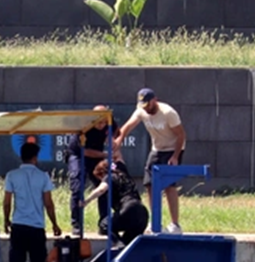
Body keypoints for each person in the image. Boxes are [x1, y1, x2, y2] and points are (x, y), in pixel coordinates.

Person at [114, 87, 186, 234]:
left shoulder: (168, 113)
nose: (146, 109)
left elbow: (181, 135)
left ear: (155, 100)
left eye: (148, 105)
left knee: (169, 186)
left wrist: (175, 157)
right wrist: (119, 141)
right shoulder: (141, 110)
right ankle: (155, 222)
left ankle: (175, 224)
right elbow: (127, 126)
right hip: (157, 149)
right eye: (143, 105)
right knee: (150, 185)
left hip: (173, 148)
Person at [3, 141, 62, 262]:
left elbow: (7, 202)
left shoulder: (12, 175)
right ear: (35, 158)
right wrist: (55, 224)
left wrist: (6, 220)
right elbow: (48, 203)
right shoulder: (43, 176)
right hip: (37, 227)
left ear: (21, 157)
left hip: (18, 226)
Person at [66, 105, 111, 236]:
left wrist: (114, 145)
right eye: (99, 122)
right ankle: (76, 224)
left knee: (104, 185)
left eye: (104, 121)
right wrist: (105, 155)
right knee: (77, 187)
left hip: (97, 154)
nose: (102, 125)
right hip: (78, 155)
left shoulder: (109, 122)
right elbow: (84, 151)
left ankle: (104, 223)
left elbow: (116, 134)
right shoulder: (83, 127)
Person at [85, 160, 149, 246]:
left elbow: (101, 189)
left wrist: (86, 201)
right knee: (128, 243)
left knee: (104, 225)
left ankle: (119, 245)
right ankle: (123, 248)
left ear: (102, 173)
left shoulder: (109, 177)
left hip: (128, 208)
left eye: (100, 178)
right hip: (143, 213)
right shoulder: (125, 176)